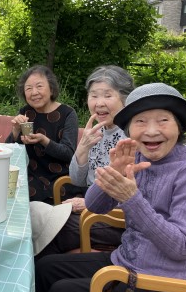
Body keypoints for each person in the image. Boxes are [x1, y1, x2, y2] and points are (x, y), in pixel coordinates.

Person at [34, 83, 186, 292]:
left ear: (179, 127)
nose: (152, 130)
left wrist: (131, 198)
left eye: (163, 120)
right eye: (140, 121)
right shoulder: (138, 158)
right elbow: (95, 206)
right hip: (130, 265)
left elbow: (181, 246)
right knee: (46, 268)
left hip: (178, 290)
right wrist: (114, 171)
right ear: (130, 130)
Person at [37, 65, 134, 257]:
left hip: (114, 219)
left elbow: (137, 195)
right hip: (91, 207)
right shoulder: (98, 131)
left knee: (48, 231)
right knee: (36, 215)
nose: (99, 103)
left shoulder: (132, 136)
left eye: (107, 95)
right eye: (94, 95)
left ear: (125, 99)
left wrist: (89, 204)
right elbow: (76, 179)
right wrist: (83, 147)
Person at [6, 65, 78, 203]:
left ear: (51, 89)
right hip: (31, 176)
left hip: (60, 178)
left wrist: (44, 141)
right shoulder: (25, 112)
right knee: (7, 187)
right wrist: (15, 131)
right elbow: (9, 153)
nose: (34, 92)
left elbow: (69, 153)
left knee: (23, 195)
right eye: (29, 88)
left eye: (39, 86)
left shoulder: (68, 113)